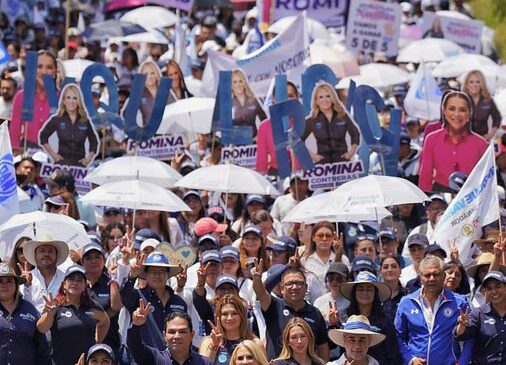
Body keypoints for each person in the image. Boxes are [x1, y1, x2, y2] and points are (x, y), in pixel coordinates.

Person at [395, 256, 471, 365]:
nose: (431, 278)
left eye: (436, 274)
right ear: (420, 278)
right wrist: (410, 359)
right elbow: (398, 336)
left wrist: (462, 363)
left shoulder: (460, 302)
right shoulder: (407, 302)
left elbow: (470, 338)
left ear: (444, 276)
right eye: (427, 275)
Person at [252, 262, 329, 360]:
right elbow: (260, 291)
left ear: (306, 287)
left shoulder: (315, 313)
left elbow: (322, 346)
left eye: (299, 283)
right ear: (282, 288)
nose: (294, 287)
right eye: (289, 283)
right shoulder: (273, 305)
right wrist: (257, 278)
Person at [36, 265, 110, 365]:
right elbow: (41, 328)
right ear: (64, 285)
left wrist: (97, 341)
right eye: (71, 279)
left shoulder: (92, 306)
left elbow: (105, 321)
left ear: (84, 286)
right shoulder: (56, 306)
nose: (75, 283)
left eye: (80, 280)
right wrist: (49, 315)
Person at [418, 91, 488, 192]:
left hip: (471, 197)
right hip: (439, 198)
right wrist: (425, 204)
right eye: (451, 109)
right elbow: (425, 177)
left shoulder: (481, 144)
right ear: (444, 112)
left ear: (469, 114)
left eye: (462, 110)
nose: (456, 114)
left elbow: (486, 180)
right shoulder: (431, 139)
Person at [339, 271, 400, 364]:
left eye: (369, 289)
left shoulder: (385, 321)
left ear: (375, 293)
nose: (365, 293)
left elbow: (393, 354)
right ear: (354, 292)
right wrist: (333, 325)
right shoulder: (344, 317)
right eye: (360, 289)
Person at [120, 251, 186, 333]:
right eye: (153, 272)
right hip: (142, 346)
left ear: (167, 275)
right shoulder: (138, 296)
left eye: (161, 272)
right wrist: (132, 277)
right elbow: (124, 296)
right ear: (146, 275)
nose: (157, 276)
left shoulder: (179, 301)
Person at [0, 262, 52, 365]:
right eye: (0, 281)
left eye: (9, 281)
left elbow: (42, 347)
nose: (4, 285)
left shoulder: (29, 309)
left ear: (16, 285)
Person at [39, 83, 99, 166]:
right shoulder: (57, 119)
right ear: (63, 101)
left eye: (75, 98)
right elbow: (43, 136)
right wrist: (54, 155)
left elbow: (94, 142)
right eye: (68, 98)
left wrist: (88, 159)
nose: (71, 101)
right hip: (62, 163)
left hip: (79, 165)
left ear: (79, 101)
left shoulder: (85, 121)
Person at [454, 271, 506, 364]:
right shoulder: (478, 313)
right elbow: (460, 335)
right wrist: (462, 325)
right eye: (489, 288)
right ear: (485, 292)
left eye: (498, 286)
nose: (494, 291)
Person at [128, 308, 212, 365]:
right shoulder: (155, 358)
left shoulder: (204, 363)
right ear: (164, 335)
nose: (177, 336)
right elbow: (135, 346)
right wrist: (136, 325)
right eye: (172, 332)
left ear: (192, 335)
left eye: (182, 331)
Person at [81, 243, 122, 359]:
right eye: (88, 258)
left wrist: (113, 279)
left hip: (108, 342)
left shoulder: (110, 281)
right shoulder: (77, 282)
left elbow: (116, 307)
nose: (93, 261)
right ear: (82, 262)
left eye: (97, 257)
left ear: (104, 260)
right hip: (82, 343)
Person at [10, 50, 56, 152]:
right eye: (39, 67)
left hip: (54, 153)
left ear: (55, 71)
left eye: (49, 67)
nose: (44, 71)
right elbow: (15, 131)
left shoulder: (63, 97)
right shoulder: (21, 96)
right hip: (26, 152)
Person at [302, 82, 360, 164]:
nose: (325, 100)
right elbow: (299, 140)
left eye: (328, 96)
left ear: (332, 98)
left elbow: (355, 133)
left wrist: (351, 152)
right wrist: (312, 156)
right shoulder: (312, 120)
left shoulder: (342, 115)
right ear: (316, 101)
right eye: (321, 97)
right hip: (323, 166)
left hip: (343, 164)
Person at [199, 294, 263, 364]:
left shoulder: (255, 343)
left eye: (234, 313)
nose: (229, 318)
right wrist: (214, 346)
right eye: (225, 314)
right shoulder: (208, 343)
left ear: (242, 316)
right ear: (219, 317)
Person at [19, 237, 69, 313]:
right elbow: (22, 308)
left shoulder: (66, 279)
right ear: (35, 255)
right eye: (42, 251)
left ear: (56, 256)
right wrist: (26, 286)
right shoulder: (26, 277)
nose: (46, 254)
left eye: (50, 251)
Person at [462, 69, 502, 140]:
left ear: (481, 84)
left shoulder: (488, 100)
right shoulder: (461, 101)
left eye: (478, 82)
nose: (475, 85)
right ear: (467, 85)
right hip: (464, 139)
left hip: (482, 139)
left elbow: (497, 118)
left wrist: (490, 135)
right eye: (471, 82)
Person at [231, 68, 266, 138]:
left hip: (254, 143)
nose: (238, 85)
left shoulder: (253, 100)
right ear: (231, 85)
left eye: (240, 81)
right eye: (235, 82)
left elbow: (265, 120)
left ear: (244, 83)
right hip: (237, 145)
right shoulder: (228, 104)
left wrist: (260, 136)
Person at [380, 255, 408, 321]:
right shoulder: (375, 295)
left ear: (400, 270)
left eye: (394, 266)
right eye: (385, 267)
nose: (390, 270)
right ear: (380, 271)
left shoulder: (408, 295)